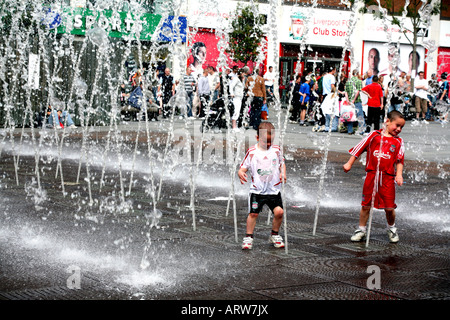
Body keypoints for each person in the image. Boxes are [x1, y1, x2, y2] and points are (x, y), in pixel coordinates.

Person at [343, 110, 405, 243]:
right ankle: (361, 229)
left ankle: (392, 228)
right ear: (387, 122)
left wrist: (399, 175)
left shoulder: (399, 142)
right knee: (366, 205)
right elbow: (358, 149)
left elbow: (400, 160)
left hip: (388, 178)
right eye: (397, 125)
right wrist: (349, 163)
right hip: (371, 176)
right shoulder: (374, 135)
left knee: (389, 208)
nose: (399, 129)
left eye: (401, 127)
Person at [238, 121, 287, 250]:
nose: (268, 144)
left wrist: (283, 173)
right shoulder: (252, 152)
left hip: (273, 190)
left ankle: (274, 234)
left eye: (271, 141)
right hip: (257, 191)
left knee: (279, 212)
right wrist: (241, 173)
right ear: (257, 138)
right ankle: (248, 237)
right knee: (253, 214)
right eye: (265, 142)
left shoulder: (276, 150)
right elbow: (243, 167)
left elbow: (282, 164)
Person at [345, 69, 366, 135]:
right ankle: (361, 130)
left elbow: (346, 92)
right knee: (360, 115)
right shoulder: (359, 81)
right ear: (357, 74)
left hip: (349, 102)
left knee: (350, 115)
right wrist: (354, 100)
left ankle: (350, 130)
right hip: (357, 101)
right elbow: (357, 91)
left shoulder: (348, 81)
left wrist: (348, 100)